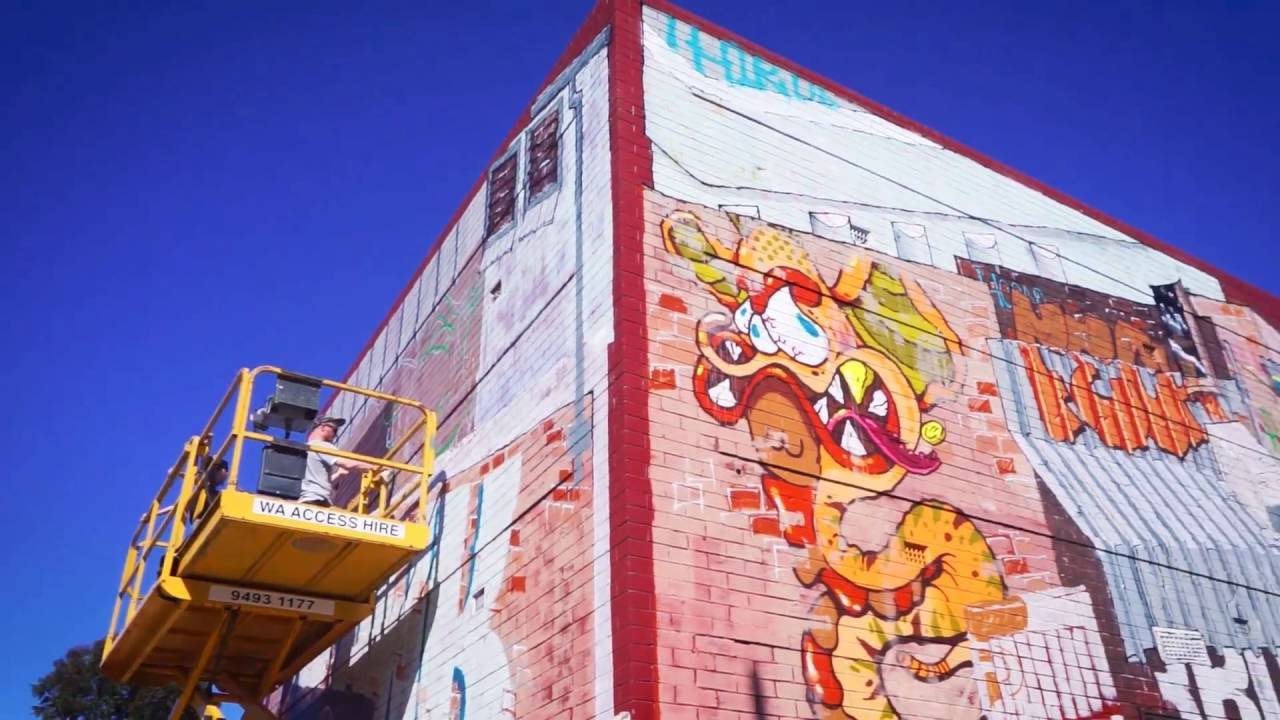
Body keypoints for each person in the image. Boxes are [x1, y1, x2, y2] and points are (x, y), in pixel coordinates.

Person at [300, 415, 373, 506]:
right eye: (334, 430)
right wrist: (377, 468)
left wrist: (338, 474)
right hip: (318, 501)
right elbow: (348, 464)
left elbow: (317, 481)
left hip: (304, 501)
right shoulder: (322, 445)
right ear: (322, 427)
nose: (335, 434)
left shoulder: (305, 449)